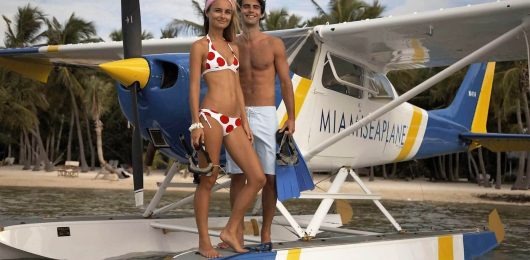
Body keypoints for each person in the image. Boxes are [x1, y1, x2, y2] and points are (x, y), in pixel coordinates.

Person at [188, 0, 266, 257]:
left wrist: (244, 121)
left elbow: (238, 89)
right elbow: (193, 90)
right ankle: (203, 243)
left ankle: (231, 229)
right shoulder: (200, 47)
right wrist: (196, 124)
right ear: (208, 13)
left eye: (227, 11)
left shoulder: (234, 47)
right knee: (208, 180)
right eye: (218, 10)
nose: (223, 15)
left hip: (234, 121)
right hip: (210, 117)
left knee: (257, 178)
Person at [223, 0, 295, 251]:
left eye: (256, 6)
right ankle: (237, 231)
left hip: (265, 114)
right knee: (238, 174)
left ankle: (265, 231)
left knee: (269, 177)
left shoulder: (274, 44)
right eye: (246, 6)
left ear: (262, 12)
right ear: (240, 10)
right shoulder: (231, 45)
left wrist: (292, 118)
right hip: (237, 114)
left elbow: (286, 83)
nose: (251, 10)